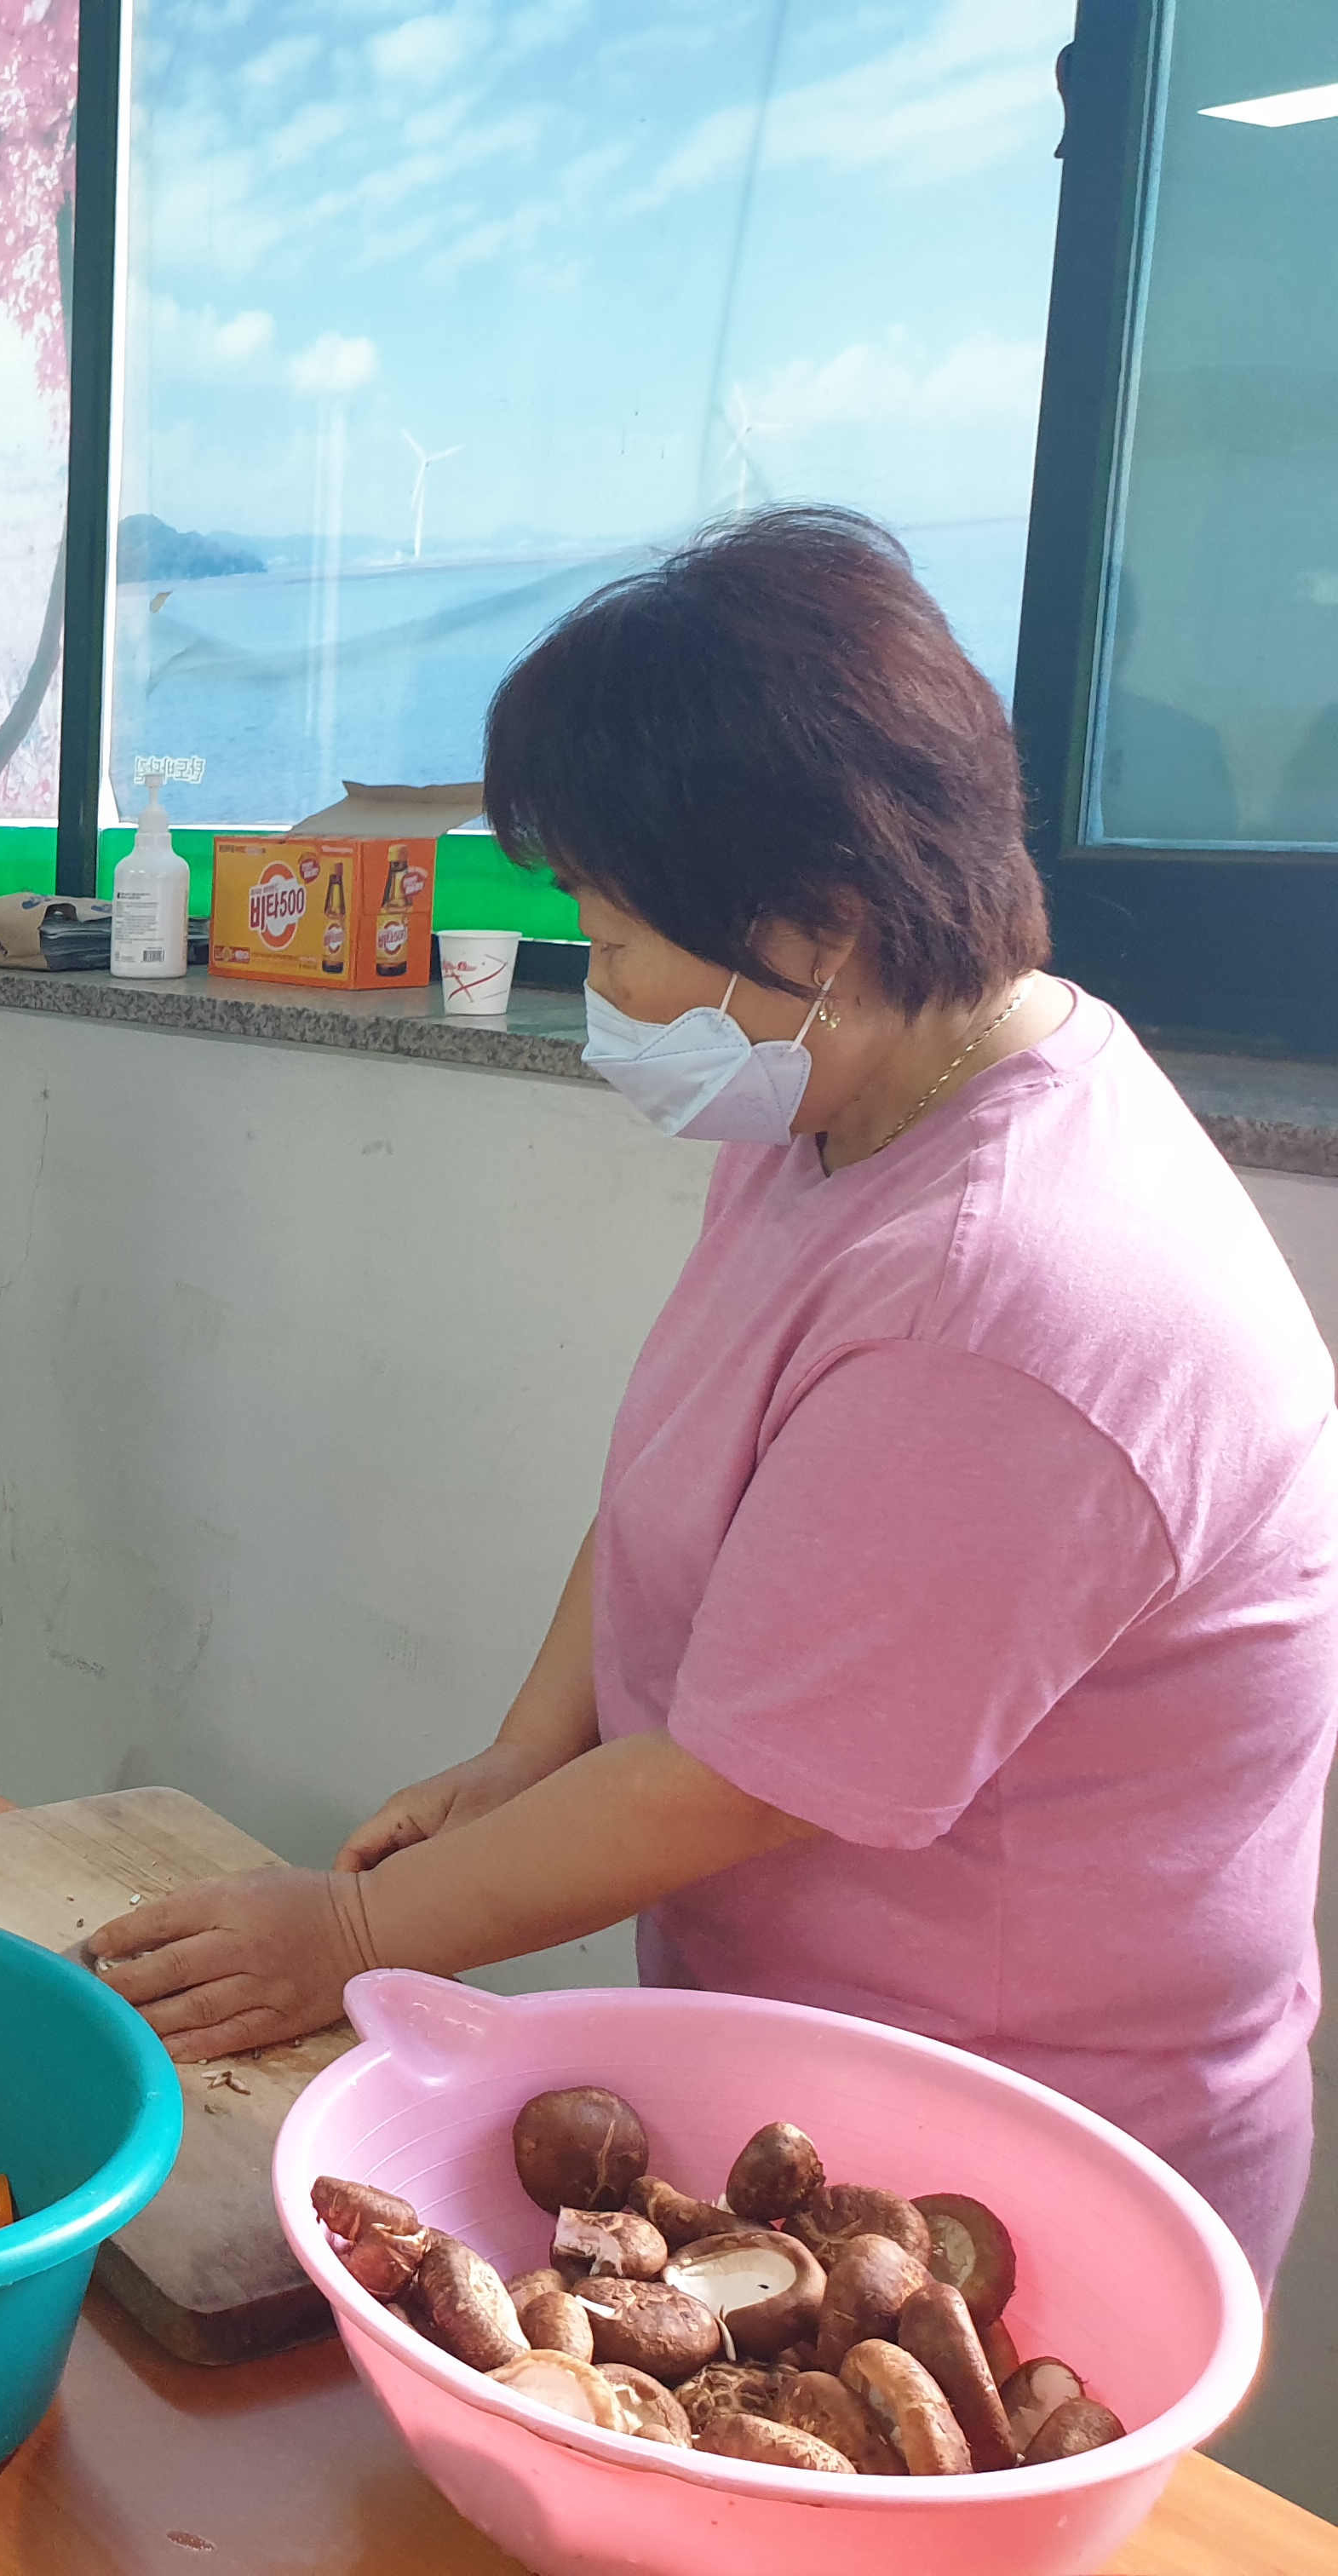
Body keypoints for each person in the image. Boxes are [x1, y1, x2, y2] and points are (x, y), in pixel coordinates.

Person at [79, 509, 1337, 2289]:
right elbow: (684, 1472)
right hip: (812, 2069)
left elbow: (739, 1782)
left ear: (818, 926)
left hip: (1018, 2168)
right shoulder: (840, 1094)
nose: (602, 996)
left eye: (609, 938)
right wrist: (532, 1748)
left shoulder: (1009, 1289)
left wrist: (346, 1933)